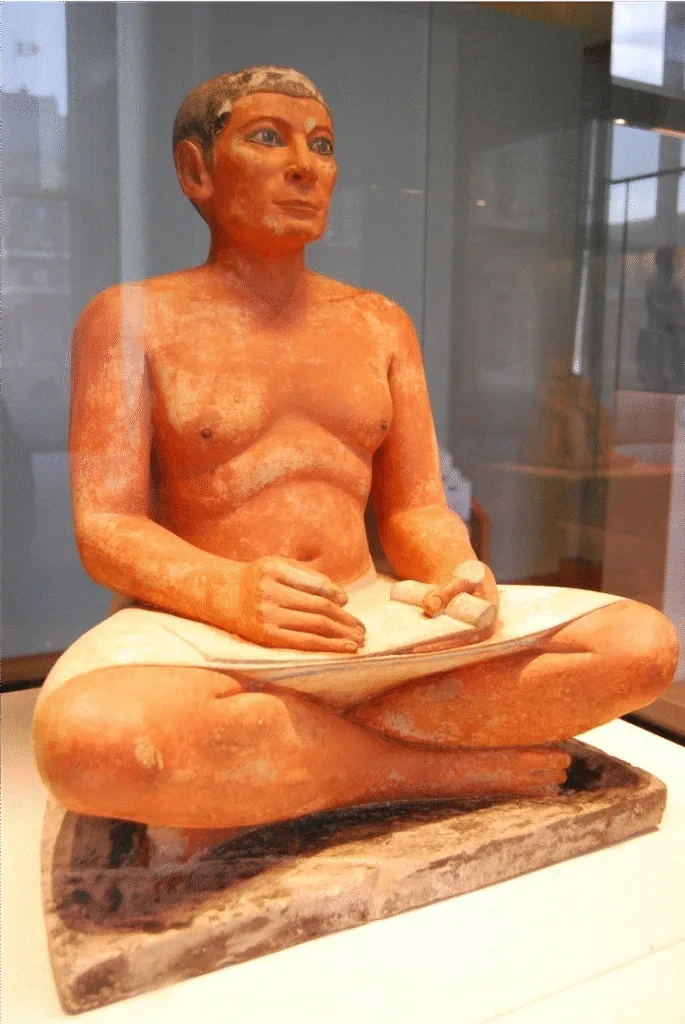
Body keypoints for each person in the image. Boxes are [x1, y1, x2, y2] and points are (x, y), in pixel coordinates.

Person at [33, 68, 678, 838]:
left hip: (366, 619)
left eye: (322, 145)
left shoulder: (378, 323)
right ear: (195, 169)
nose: (304, 166)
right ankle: (424, 770)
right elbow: (106, 527)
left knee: (638, 646)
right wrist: (226, 591)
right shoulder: (131, 319)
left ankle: (299, 752)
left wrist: (451, 565)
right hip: (208, 632)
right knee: (89, 743)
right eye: (267, 138)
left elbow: (416, 507)